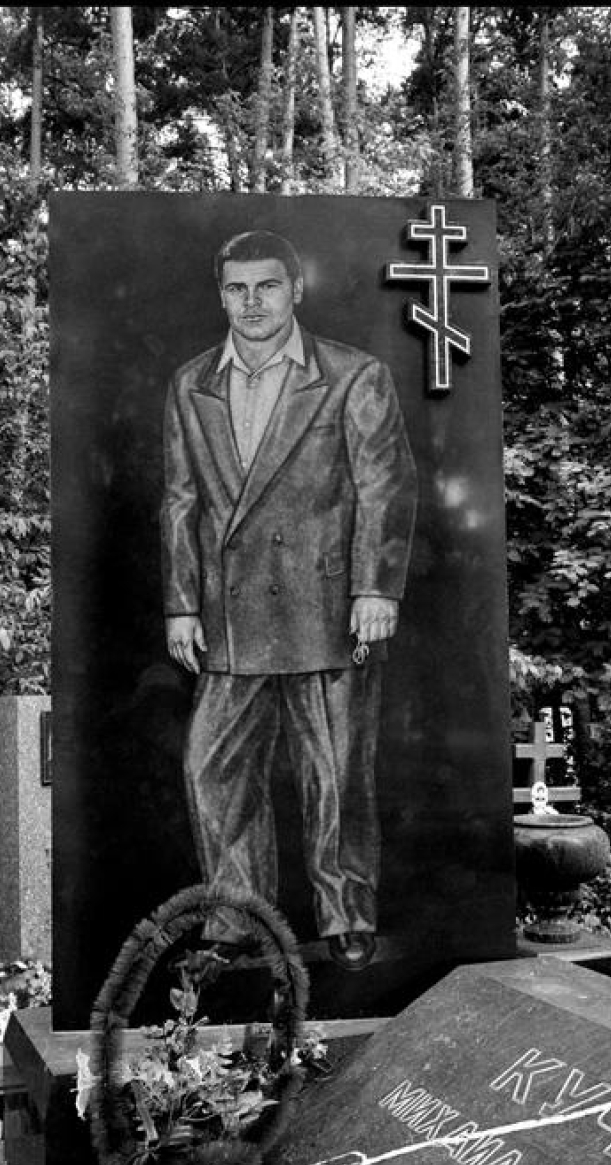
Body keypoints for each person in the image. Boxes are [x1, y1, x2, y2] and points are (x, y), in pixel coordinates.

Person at [160, 230, 417, 971]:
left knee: (334, 771)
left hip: (327, 606)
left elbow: (383, 486)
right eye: (236, 288)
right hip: (231, 613)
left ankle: (347, 916)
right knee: (212, 769)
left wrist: (374, 587)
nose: (252, 303)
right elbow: (179, 501)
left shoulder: (352, 375)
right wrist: (181, 602)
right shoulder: (191, 383)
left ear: (295, 290)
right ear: (220, 296)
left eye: (266, 286)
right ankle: (237, 921)